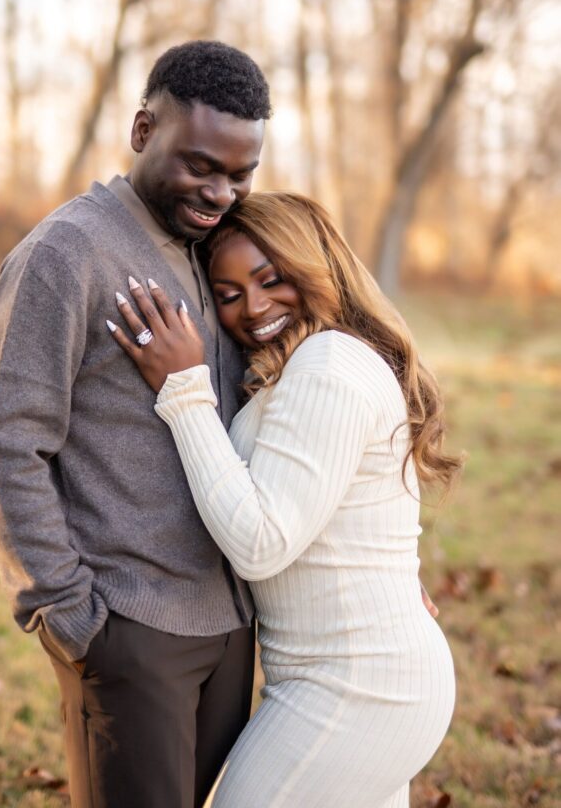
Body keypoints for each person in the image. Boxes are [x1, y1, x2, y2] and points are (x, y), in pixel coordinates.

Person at [0, 40, 271, 808]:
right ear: (142, 130)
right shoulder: (68, 253)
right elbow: (5, 441)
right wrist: (68, 612)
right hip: (128, 626)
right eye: (201, 164)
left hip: (229, 624)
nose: (220, 190)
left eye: (239, 174)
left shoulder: (214, 252)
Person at [107, 191, 461, 808]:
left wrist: (185, 390)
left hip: (358, 685)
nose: (255, 306)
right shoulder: (308, 362)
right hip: (351, 674)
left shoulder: (328, 364)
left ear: (314, 266)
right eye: (229, 293)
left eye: (272, 279)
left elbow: (261, 542)